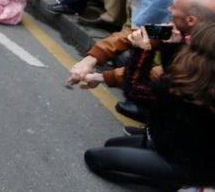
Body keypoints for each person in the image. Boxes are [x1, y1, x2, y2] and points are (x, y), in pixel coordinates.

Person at [83, 22, 215, 188]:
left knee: (95, 158)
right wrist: (170, 47)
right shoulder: (201, 78)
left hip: (185, 164)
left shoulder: (192, 89)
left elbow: (136, 90)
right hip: (182, 147)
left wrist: (141, 50)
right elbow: (170, 77)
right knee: (112, 144)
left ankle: (172, 184)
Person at [67, 0, 215, 90]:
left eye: (174, 8)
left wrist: (102, 77)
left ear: (190, 20)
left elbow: (159, 74)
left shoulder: (207, 49)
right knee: (127, 57)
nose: (169, 10)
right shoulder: (176, 30)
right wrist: (89, 60)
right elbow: (131, 35)